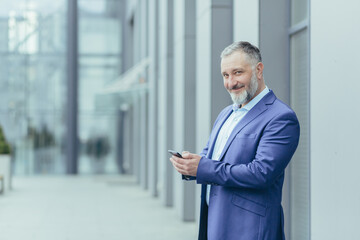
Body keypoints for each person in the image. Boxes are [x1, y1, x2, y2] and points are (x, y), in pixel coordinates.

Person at [170, 41, 300, 240]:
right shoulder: (226, 114)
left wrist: (202, 167)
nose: (231, 83)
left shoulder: (281, 117)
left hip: (249, 230)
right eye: (225, 75)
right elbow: (211, 158)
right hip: (215, 223)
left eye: (238, 73)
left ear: (259, 69)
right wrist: (190, 164)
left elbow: (261, 173)